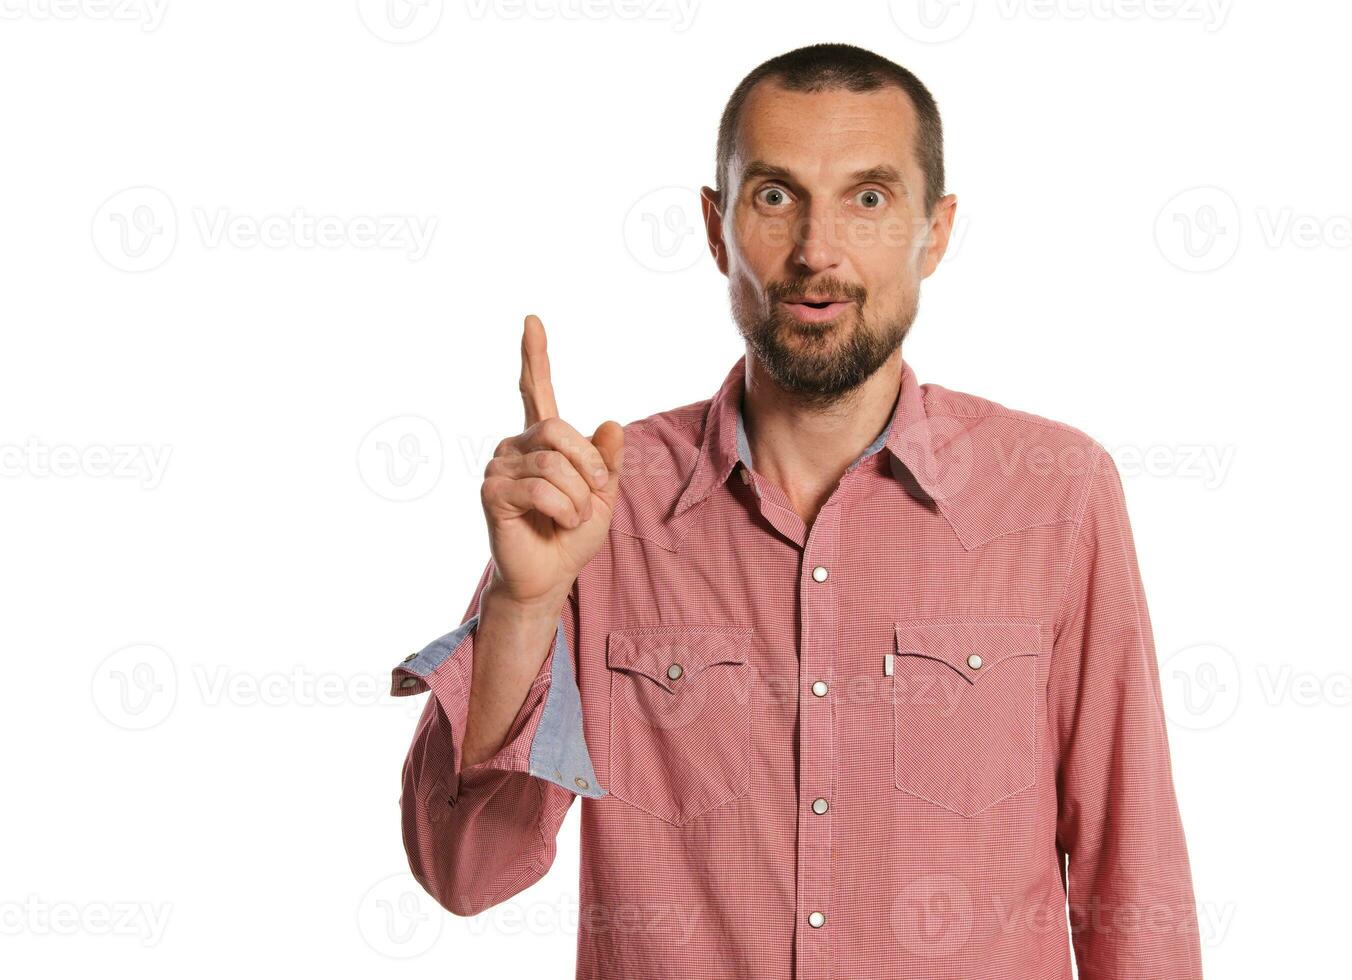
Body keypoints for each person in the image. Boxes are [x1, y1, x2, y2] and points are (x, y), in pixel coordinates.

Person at [391, 41, 1203, 979]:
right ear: (715, 226)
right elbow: (464, 873)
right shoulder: (599, 504)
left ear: (934, 232)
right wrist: (524, 609)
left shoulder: (1056, 492)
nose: (818, 252)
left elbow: (1130, 873)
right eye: (776, 196)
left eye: (868, 199)